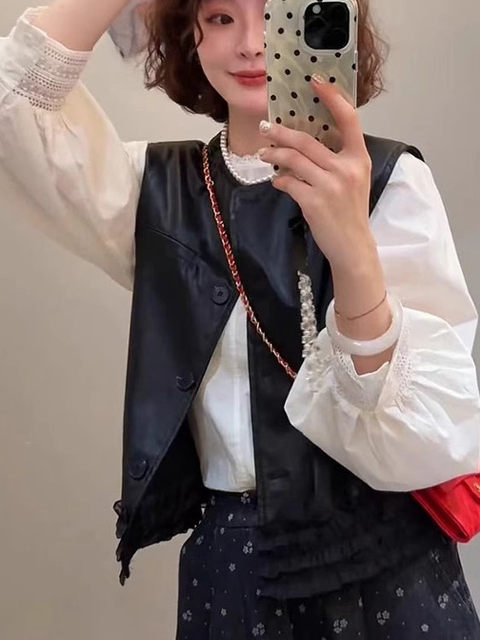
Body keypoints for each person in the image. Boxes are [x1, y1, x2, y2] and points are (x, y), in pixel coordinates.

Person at [1, 1, 480, 638]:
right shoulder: (157, 192)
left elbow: (433, 431)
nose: (253, 44)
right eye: (222, 17)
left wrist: (353, 253)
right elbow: (16, 100)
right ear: (190, 35)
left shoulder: (392, 180)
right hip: (232, 568)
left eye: (278, 13)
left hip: (384, 564)